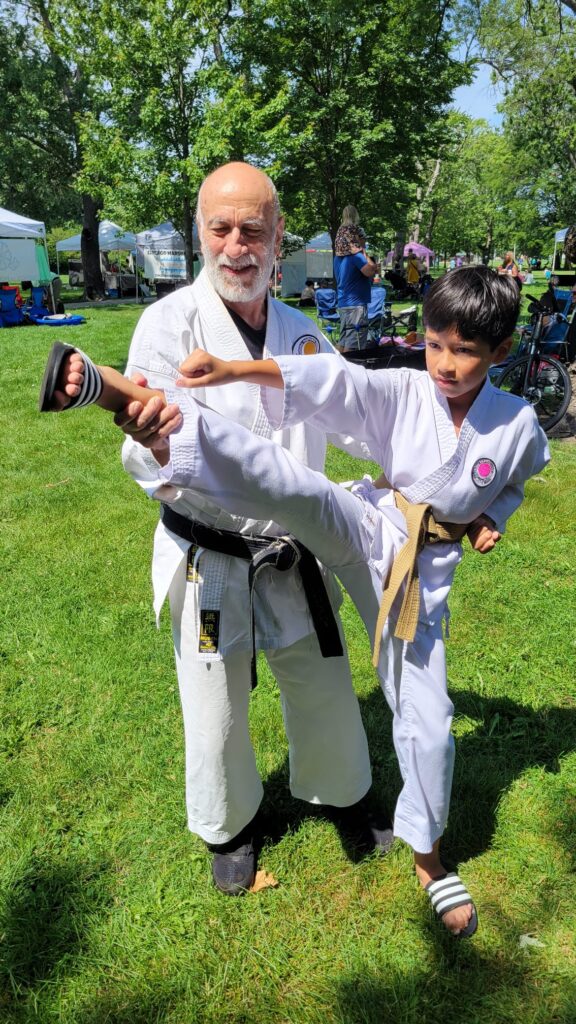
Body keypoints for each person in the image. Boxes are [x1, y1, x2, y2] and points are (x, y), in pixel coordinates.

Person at [40, 266, 550, 936]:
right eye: (433, 344)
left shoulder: (517, 424)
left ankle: (428, 858)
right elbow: (333, 383)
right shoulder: (404, 388)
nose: (445, 365)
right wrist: (230, 370)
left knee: (428, 717)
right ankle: (133, 403)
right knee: (295, 487)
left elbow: (518, 475)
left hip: (415, 580)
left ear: (501, 352)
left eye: (464, 352)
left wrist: (495, 517)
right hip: (371, 523)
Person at [42, 162, 391, 897]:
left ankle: (344, 795)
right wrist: (156, 440)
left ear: (278, 237)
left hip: (294, 551)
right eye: (221, 228)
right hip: (211, 554)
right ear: (201, 230)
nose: (237, 246)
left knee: (322, 681)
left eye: (253, 231)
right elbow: (144, 439)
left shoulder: (302, 333)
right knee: (215, 700)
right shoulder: (167, 324)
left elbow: (351, 414)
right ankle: (230, 825)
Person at [334, 233, 380, 352]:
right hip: (356, 305)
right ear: (358, 239)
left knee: (343, 341)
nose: (365, 241)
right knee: (355, 344)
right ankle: (350, 369)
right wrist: (363, 252)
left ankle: (336, 367)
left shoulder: (338, 257)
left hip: (344, 303)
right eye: (363, 238)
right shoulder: (357, 257)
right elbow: (371, 271)